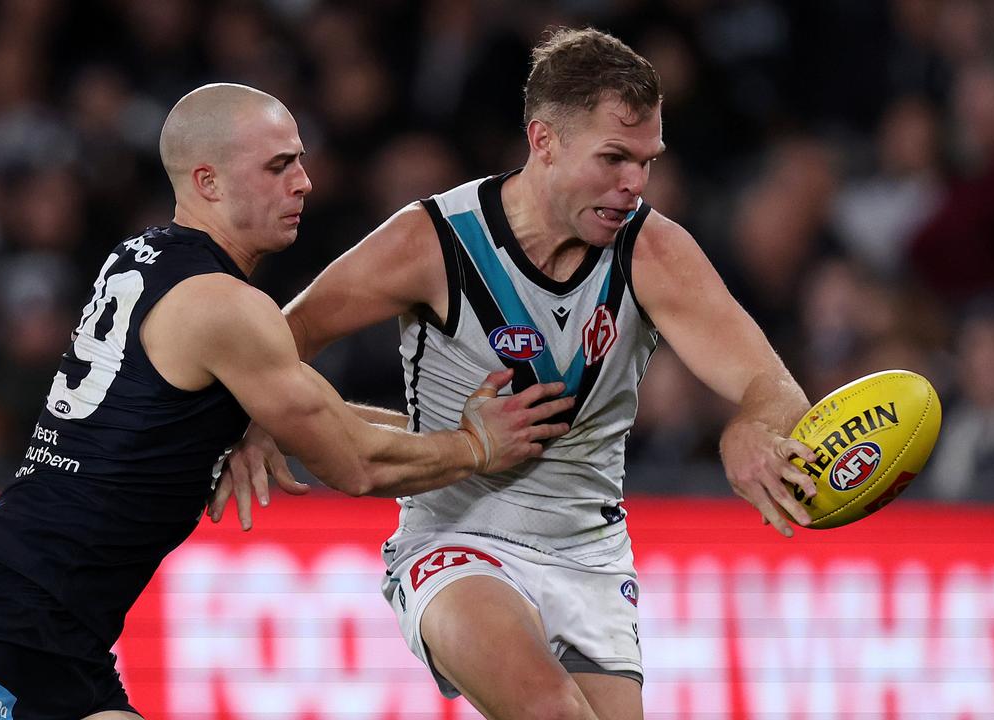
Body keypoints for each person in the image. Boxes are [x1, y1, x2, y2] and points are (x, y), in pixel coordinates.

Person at [0, 83, 573, 720]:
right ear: (206, 180)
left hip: (59, 639)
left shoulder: (143, 260)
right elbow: (355, 462)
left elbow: (320, 416)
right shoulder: (223, 306)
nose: (305, 182)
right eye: (278, 166)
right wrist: (476, 448)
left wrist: (447, 432)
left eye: (299, 161)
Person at [212, 28, 821, 720]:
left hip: (590, 557)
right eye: (614, 159)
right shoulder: (433, 242)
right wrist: (259, 416)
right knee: (550, 710)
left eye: (646, 162)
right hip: (458, 541)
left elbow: (771, 384)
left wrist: (750, 427)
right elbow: (280, 340)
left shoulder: (653, 251)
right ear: (545, 143)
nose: (635, 185)